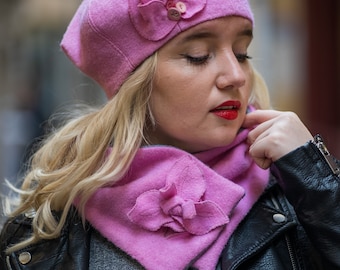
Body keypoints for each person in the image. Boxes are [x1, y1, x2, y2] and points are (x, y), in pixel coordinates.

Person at [1, 0, 340, 269]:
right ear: (135, 84)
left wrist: (315, 178)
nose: (236, 76)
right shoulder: (52, 223)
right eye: (198, 56)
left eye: (242, 53)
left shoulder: (297, 187)